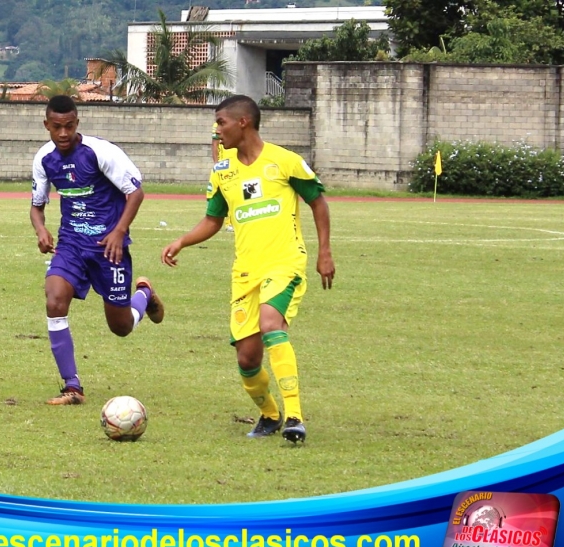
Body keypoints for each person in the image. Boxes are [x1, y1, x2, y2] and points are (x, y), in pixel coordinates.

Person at [162, 95, 335, 443]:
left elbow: (318, 202)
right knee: (247, 358)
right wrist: (182, 240)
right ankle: (270, 415)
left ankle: (295, 417)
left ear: (243, 122)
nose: (217, 129)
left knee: (272, 323)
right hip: (246, 272)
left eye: (221, 122)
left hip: (284, 261)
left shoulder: (284, 162)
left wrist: (325, 252)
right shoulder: (223, 170)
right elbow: (213, 220)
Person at [30, 95, 164, 406]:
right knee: (54, 299)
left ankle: (144, 294)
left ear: (77, 123)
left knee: (121, 327)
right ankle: (72, 386)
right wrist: (41, 230)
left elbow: (135, 193)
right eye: (56, 127)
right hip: (72, 245)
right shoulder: (44, 159)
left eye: (69, 126)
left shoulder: (100, 152)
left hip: (108, 248)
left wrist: (118, 232)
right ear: (46, 125)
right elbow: (37, 207)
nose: (63, 134)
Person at [211, 121, 234, 233]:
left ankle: (235, 222)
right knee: (228, 193)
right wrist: (216, 163)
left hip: (238, 163)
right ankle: (228, 223)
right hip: (225, 165)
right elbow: (215, 144)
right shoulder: (217, 126)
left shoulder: (239, 123)